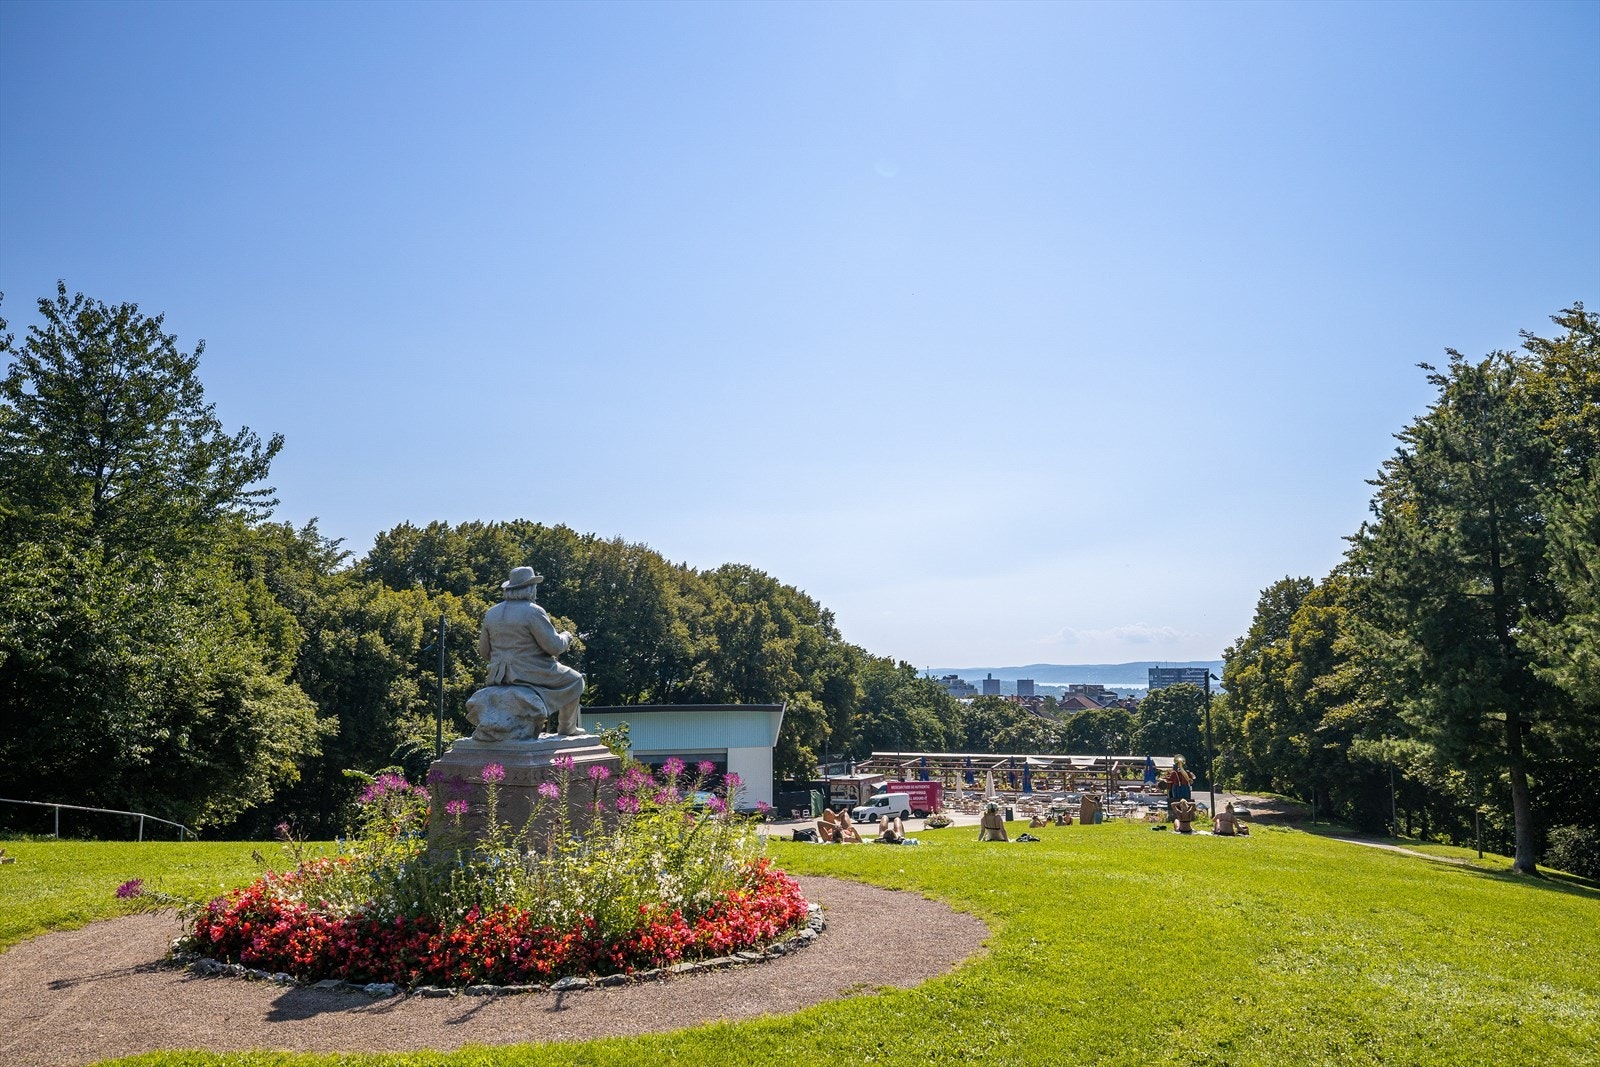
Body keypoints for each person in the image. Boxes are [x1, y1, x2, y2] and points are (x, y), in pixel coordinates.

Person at [478, 566, 586, 735]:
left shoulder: (491, 613)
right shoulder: (533, 611)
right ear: (529, 589)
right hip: (531, 672)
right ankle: (567, 727)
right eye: (535, 587)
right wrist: (566, 636)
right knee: (576, 680)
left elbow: (484, 651)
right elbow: (554, 647)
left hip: (498, 675)